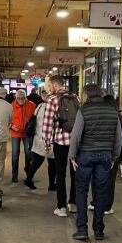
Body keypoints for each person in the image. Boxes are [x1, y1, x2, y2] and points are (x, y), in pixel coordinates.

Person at [68, 84, 122, 241]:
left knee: (81, 191)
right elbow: (118, 138)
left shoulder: (84, 110)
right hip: (105, 156)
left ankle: (82, 229)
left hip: (85, 155)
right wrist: (114, 157)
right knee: (100, 192)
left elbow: (76, 136)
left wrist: (71, 156)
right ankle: (99, 230)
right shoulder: (112, 110)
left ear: (86, 95)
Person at [42, 75, 79, 217]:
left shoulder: (52, 99)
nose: (49, 88)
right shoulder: (75, 97)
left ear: (53, 85)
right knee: (75, 173)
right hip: (75, 142)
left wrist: (46, 143)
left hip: (60, 142)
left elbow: (47, 123)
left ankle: (61, 207)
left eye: (50, 86)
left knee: (60, 174)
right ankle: (73, 203)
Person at [89, 95, 122, 215]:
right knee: (108, 181)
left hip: (102, 152)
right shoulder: (119, 119)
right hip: (112, 154)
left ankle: (101, 204)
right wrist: (121, 156)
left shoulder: (102, 118)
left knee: (99, 179)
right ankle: (104, 205)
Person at [25, 92, 55, 190]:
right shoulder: (53, 109)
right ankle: (51, 184)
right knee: (52, 163)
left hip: (38, 138)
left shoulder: (39, 106)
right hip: (50, 139)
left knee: (35, 162)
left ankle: (28, 179)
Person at [9, 89, 36, 183]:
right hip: (15, 133)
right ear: (15, 97)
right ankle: (14, 175)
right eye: (18, 97)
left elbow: (36, 118)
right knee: (15, 155)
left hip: (28, 134)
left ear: (26, 97)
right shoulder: (11, 106)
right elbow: (7, 120)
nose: (21, 99)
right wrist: (11, 126)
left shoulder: (31, 105)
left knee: (29, 154)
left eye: (23, 97)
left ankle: (28, 171)